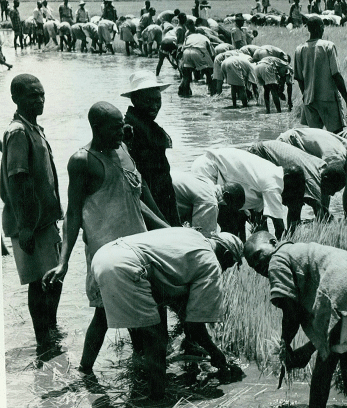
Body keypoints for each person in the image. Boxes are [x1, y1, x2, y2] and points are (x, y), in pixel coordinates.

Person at [42, 101, 168, 374]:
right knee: (103, 314)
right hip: (107, 251)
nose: (121, 131)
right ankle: (85, 371)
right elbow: (73, 214)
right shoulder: (82, 161)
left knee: (144, 307)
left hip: (139, 246)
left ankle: (141, 363)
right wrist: (63, 262)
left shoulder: (122, 149)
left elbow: (136, 196)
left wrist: (167, 229)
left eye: (121, 125)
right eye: (114, 128)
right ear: (96, 128)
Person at [92, 227, 244, 400]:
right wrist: (215, 352)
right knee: (156, 338)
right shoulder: (211, 263)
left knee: (100, 319)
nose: (225, 269)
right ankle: (158, 398)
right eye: (229, 264)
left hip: (104, 254)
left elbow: (176, 294)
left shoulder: (192, 235)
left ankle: (85, 372)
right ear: (225, 254)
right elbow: (195, 324)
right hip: (125, 267)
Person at [243, 231, 347, 408]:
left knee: (324, 364)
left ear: (274, 242)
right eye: (253, 265)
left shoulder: (277, 258)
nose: (258, 264)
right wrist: (307, 348)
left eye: (258, 255)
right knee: (345, 354)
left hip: (345, 292)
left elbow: (291, 310)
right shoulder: (300, 251)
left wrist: (285, 343)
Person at [1, 74, 63, 358]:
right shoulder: (18, 132)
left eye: (41, 94)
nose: (39, 100)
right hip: (30, 223)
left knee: (53, 278)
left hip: (45, 220)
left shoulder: (34, 128)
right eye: (31, 95)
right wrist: (25, 226)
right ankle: (43, 342)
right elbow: (18, 179)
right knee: (39, 283)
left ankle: (50, 329)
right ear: (16, 98)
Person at [191, 148, 298, 239]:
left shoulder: (271, 173)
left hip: (216, 169)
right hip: (209, 169)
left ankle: (238, 253)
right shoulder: (273, 183)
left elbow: (259, 220)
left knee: (239, 217)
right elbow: (278, 226)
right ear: (288, 180)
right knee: (224, 220)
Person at [121, 71, 182, 227]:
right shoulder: (130, 131)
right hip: (150, 207)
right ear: (135, 100)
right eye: (148, 100)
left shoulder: (148, 127)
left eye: (158, 100)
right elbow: (139, 182)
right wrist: (162, 221)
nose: (154, 106)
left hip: (163, 197)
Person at [246, 140, 332, 228]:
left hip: (281, 159)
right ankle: (262, 235)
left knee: (295, 203)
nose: (333, 194)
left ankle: (291, 233)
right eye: (334, 190)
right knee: (261, 205)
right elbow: (320, 212)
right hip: (260, 153)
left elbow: (321, 211)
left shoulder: (321, 170)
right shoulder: (313, 183)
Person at [294, 17, 347, 133]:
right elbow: (336, 75)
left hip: (309, 101)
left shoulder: (299, 49)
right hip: (328, 100)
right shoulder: (328, 46)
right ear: (320, 28)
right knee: (337, 136)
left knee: (317, 139)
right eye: (323, 27)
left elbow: (299, 79)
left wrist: (306, 96)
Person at [171, 171, 246, 240]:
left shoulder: (208, 182)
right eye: (229, 206)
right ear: (226, 196)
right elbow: (202, 237)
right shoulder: (211, 202)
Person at [277, 127, 347, 164]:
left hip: (294, 139)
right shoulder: (336, 157)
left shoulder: (346, 145)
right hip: (289, 142)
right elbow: (323, 177)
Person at [179, 19, 215, 97]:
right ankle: (212, 92)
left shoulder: (189, 36)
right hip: (198, 51)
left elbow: (182, 50)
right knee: (209, 72)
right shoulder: (205, 38)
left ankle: (185, 96)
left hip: (186, 52)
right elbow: (212, 54)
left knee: (187, 76)